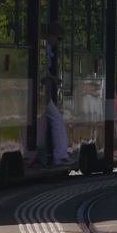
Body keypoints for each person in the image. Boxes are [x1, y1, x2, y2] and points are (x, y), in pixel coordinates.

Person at [41, 21, 71, 166]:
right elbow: (40, 70)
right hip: (42, 94)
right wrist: (52, 78)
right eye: (58, 39)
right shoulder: (45, 49)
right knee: (57, 120)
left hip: (42, 93)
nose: (59, 43)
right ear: (51, 35)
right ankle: (60, 155)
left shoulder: (46, 48)